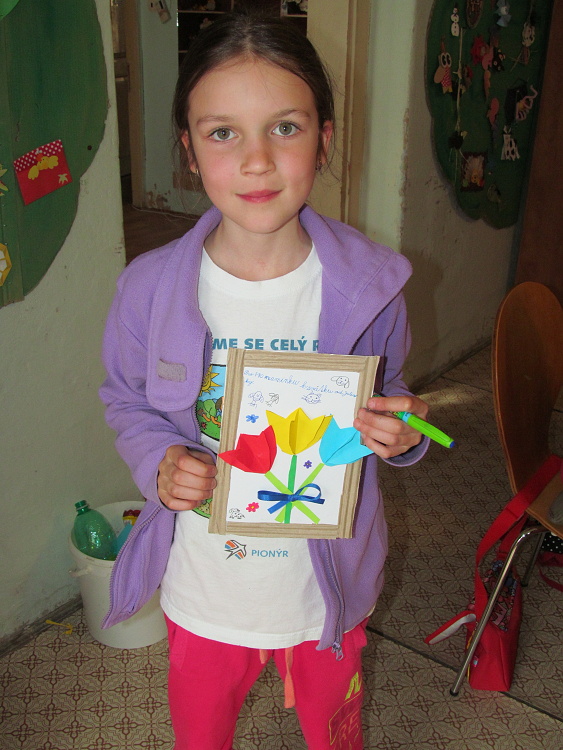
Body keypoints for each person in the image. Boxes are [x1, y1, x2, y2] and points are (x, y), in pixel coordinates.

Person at [100, 9, 429, 750]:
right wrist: (160, 460)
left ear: (324, 139)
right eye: (223, 133)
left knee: (334, 732)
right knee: (201, 732)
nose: (256, 161)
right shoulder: (148, 290)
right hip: (205, 589)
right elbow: (125, 398)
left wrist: (402, 428)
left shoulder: (372, 289)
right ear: (188, 150)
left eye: (284, 127)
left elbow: (395, 393)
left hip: (325, 589)